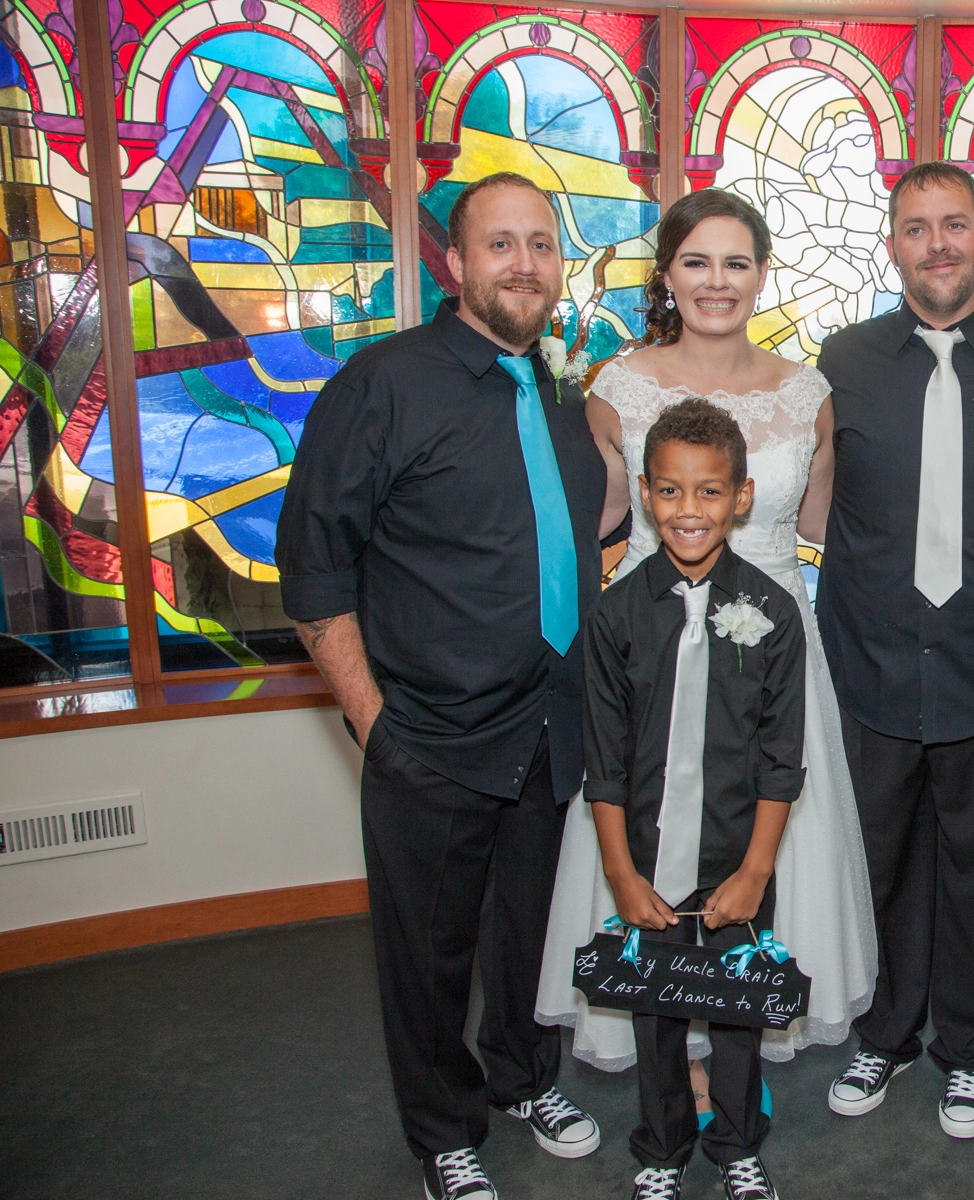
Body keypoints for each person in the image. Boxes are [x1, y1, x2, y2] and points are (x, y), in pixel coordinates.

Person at [275, 172, 619, 1200]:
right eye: (500, 245)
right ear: (457, 263)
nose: (523, 264)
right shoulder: (383, 384)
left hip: (552, 727)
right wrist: (376, 725)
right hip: (432, 731)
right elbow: (313, 566)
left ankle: (522, 1076)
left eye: (540, 245)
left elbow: (564, 539)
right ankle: (442, 1132)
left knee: (527, 933)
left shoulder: (557, 389)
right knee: (428, 952)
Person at [536, 189, 877, 1085]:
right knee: (643, 809)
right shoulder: (617, 388)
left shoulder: (809, 395)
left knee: (764, 820)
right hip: (649, 646)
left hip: (773, 643)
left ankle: (743, 1024)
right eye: (697, 261)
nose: (716, 282)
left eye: (736, 263)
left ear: (762, 275)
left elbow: (820, 522)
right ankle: (665, 1031)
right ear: (669, 274)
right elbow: (601, 524)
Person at [814, 162, 974, 1138]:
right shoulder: (840, 360)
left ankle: (970, 1054)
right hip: (870, 666)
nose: (937, 245)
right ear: (893, 247)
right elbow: (814, 498)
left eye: (954, 225)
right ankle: (884, 1038)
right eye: (916, 229)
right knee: (875, 866)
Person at [588, 398, 806, 1200]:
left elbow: (784, 760)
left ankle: (739, 1145)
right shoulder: (615, 616)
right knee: (657, 1011)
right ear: (646, 493)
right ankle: (661, 1146)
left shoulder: (772, 613)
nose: (690, 511)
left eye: (710, 492)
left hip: (735, 852)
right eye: (672, 492)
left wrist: (755, 869)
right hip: (645, 855)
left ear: (741, 497)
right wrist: (618, 870)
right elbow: (604, 760)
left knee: (740, 1009)